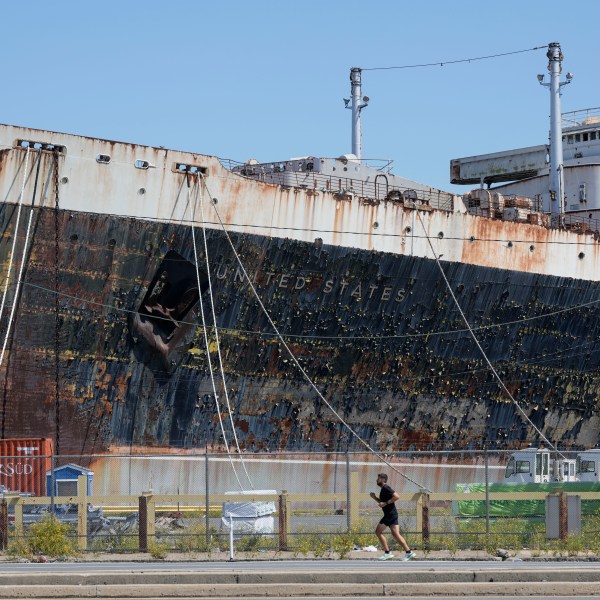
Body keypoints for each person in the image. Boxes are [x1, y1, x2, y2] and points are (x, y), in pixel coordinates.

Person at [370, 473, 415, 561]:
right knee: (396, 534)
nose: (376, 480)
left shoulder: (386, 488)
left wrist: (386, 503)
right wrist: (374, 497)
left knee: (378, 532)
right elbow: (382, 503)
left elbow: (397, 496)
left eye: (378, 478)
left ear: (383, 480)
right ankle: (408, 552)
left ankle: (387, 553)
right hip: (391, 514)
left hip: (390, 515)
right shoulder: (383, 489)